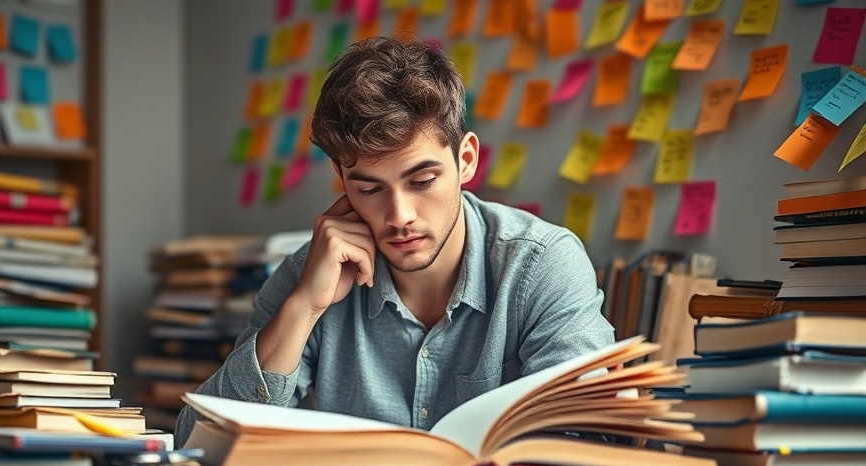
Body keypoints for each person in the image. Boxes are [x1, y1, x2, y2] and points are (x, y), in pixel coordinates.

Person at [175, 36, 614, 445]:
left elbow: (586, 442)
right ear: (343, 183)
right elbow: (196, 443)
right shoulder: (309, 274)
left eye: (422, 181)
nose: (399, 216)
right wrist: (303, 307)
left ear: (465, 161)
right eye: (369, 190)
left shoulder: (542, 264)